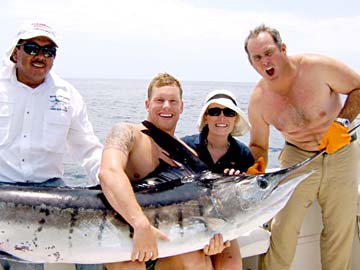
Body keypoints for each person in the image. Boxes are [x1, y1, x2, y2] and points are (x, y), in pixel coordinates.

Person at [244, 24, 360, 270]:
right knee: (283, 228)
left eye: (268, 52)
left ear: (282, 49)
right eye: (257, 58)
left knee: (340, 229)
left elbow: (358, 87)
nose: (265, 61)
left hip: (341, 152)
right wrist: (257, 164)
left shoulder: (318, 67)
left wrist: (342, 123)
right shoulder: (258, 101)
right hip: (296, 158)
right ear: (251, 63)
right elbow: (258, 144)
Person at [0, 22, 103, 270]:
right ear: (16, 52)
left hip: (51, 189)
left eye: (49, 51)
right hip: (3, 187)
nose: (40, 56)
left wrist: (113, 183)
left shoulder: (68, 95)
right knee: (24, 263)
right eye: (33, 48)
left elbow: (88, 149)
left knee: (93, 251)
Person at [99, 73, 229, 270]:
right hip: (125, 238)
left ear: (181, 107)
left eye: (173, 101)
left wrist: (209, 242)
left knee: (197, 261)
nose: (166, 106)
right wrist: (140, 224)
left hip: (167, 242)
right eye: (159, 100)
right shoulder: (126, 132)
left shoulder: (189, 154)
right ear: (147, 104)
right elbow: (108, 172)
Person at [180, 89, 254, 269]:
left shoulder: (244, 155)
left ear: (235, 119)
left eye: (228, 112)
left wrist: (236, 186)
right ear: (206, 117)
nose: (222, 118)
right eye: (214, 112)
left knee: (232, 265)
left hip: (225, 227)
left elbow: (249, 204)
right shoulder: (185, 147)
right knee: (198, 264)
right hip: (188, 223)